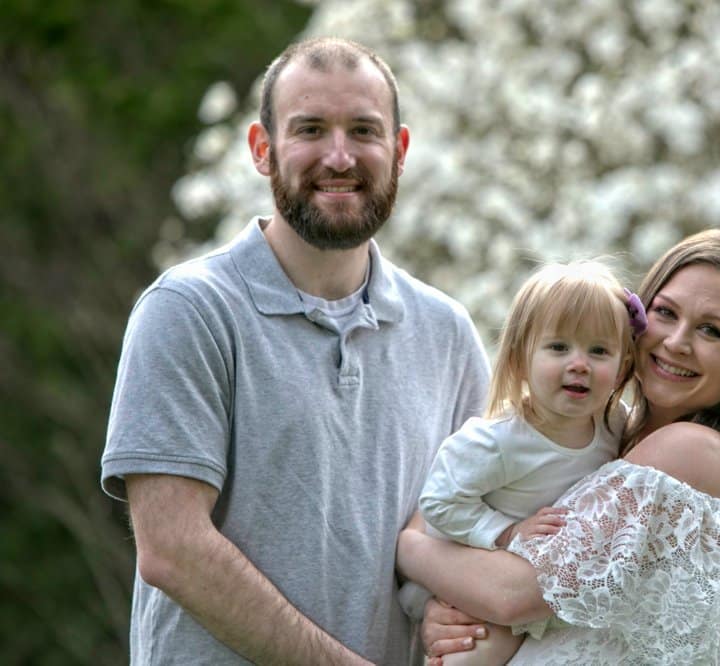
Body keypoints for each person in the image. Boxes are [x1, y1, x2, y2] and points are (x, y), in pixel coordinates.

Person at [100, 37, 490, 665]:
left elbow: (464, 527)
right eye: (311, 129)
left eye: (364, 130)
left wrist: (451, 608)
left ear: (400, 150)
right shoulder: (190, 311)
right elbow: (172, 548)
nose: (339, 157)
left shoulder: (447, 334)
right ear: (263, 149)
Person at [399, 228, 720, 664]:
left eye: (711, 331)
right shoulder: (602, 433)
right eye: (666, 313)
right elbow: (456, 518)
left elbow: (512, 593)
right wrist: (441, 608)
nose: (676, 342)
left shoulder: (692, 451)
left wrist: (410, 551)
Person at [400, 261, 641, 664]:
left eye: (599, 351)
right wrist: (506, 532)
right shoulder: (497, 440)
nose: (579, 363)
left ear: (622, 368)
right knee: (469, 656)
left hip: (542, 584)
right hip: (470, 576)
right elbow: (439, 503)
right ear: (519, 358)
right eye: (558, 347)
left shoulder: (617, 424)